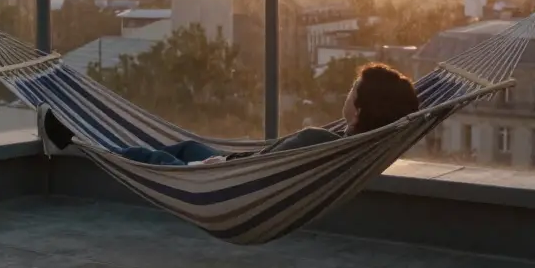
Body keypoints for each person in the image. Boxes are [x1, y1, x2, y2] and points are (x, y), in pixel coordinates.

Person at [38, 63, 419, 166]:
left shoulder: (320, 140)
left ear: (362, 107)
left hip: (229, 176)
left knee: (149, 159)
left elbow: (263, 166)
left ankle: (73, 143)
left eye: (352, 88)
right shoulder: (348, 146)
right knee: (186, 147)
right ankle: (76, 142)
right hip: (239, 171)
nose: (345, 92)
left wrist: (225, 165)